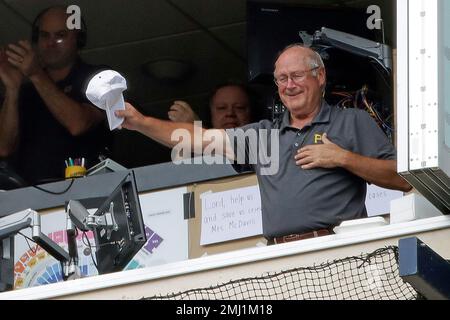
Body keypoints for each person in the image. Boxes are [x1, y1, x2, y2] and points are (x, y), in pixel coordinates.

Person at [115, 44, 412, 244]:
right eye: (281, 79)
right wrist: (141, 122)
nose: (289, 85)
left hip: (336, 250)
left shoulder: (351, 122)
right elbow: (196, 138)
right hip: (278, 258)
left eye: (296, 75)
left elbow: (403, 179)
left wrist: (343, 158)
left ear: (320, 76)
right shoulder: (264, 136)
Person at [0, 6, 110, 186]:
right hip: (30, 200)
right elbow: (3, 148)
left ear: (78, 39)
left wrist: (36, 74)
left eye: (60, 35)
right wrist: (12, 89)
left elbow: (78, 124)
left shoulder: (99, 77)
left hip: (86, 194)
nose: (51, 43)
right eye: (44, 36)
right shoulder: (26, 91)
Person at [168, 81, 254, 129]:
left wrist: (197, 127)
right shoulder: (192, 152)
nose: (230, 113)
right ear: (210, 114)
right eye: (221, 108)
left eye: (239, 107)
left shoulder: (264, 142)